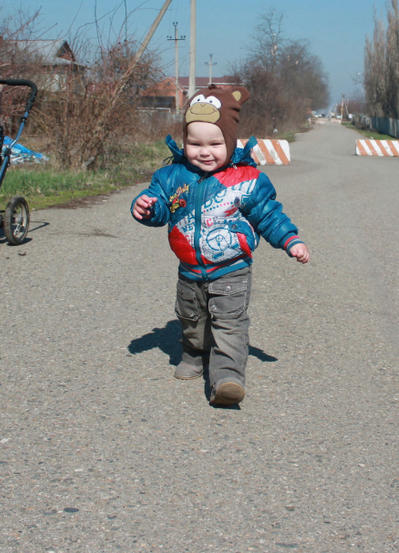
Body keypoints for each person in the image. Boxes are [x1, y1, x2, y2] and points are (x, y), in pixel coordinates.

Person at [131, 84, 310, 406]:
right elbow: (158, 208)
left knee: (229, 322)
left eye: (215, 143)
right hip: (189, 270)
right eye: (194, 143)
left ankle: (227, 376)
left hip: (232, 269)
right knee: (191, 318)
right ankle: (193, 354)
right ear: (184, 141)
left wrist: (290, 240)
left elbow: (268, 215)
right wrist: (145, 207)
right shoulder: (170, 176)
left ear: (230, 143)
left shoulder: (246, 180)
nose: (204, 151)